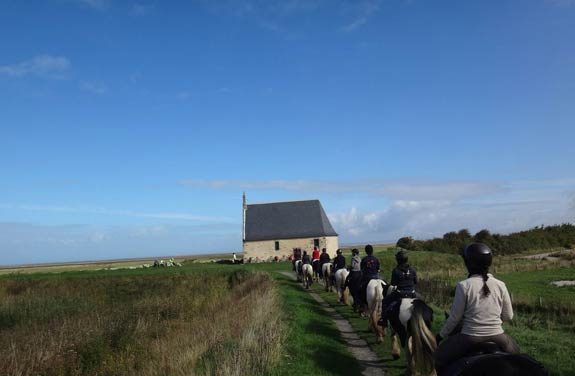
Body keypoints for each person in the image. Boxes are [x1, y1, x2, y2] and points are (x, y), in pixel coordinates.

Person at [434, 243, 519, 371]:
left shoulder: (463, 285)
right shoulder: (501, 284)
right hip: (498, 336)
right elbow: (509, 316)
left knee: (436, 360)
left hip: (469, 337)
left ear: (469, 263)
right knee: (519, 360)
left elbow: (454, 318)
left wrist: (440, 336)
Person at [378, 250, 417, 326]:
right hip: (412, 294)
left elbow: (393, 284)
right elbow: (416, 282)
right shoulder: (413, 270)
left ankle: (384, 320)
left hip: (399, 294)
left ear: (398, 260)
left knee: (385, 302)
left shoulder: (396, 270)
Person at [359, 244, 381, 313]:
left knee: (360, 289)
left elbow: (361, 269)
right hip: (376, 277)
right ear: (372, 251)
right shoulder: (376, 259)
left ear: (366, 251)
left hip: (367, 278)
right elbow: (378, 269)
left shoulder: (364, 259)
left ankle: (362, 305)